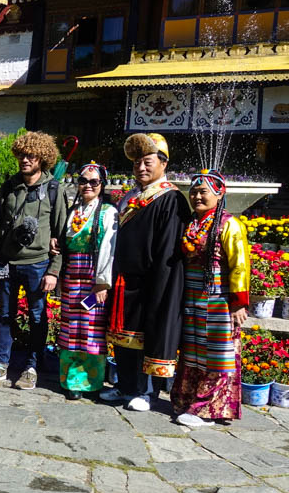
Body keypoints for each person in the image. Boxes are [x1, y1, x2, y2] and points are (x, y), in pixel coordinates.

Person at [103, 133, 192, 412]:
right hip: (124, 280)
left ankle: (148, 391)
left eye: (147, 162)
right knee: (125, 336)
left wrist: (159, 285)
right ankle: (126, 385)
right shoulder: (131, 196)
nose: (141, 168)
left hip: (153, 281)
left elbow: (167, 250)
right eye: (137, 163)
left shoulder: (171, 199)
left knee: (150, 335)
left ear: (163, 164)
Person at [0, 132, 68, 390]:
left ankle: (32, 367)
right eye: (21, 155)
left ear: (43, 158)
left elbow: (61, 234)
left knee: (37, 316)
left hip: (38, 264)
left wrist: (54, 271)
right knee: (5, 314)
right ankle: (1, 364)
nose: (25, 160)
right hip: (7, 262)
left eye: (31, 156)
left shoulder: (54, 190)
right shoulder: (9, 186)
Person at [170, 170, 250, 427]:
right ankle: (188, 399)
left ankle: (207, 409)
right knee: (193, 352)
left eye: (203, 192)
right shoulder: (191, 224)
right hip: (192, 297)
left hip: (218, 299)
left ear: (219, 193)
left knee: (217, 353)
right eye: (193, 192)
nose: (197, 196)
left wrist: (238, 303)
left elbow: (239, 265)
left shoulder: (229, 224)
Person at [57, 162, 118, 400]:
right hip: (72, 276)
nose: (88, 186)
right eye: (83, 181)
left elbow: (108, 249)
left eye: (94, 182)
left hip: (93, 276)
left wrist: (102, 282)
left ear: (102, 184)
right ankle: (71, 380)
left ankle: (91, 381)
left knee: (91, 330)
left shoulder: (107, 212)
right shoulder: (73, 211)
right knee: (70, 328)